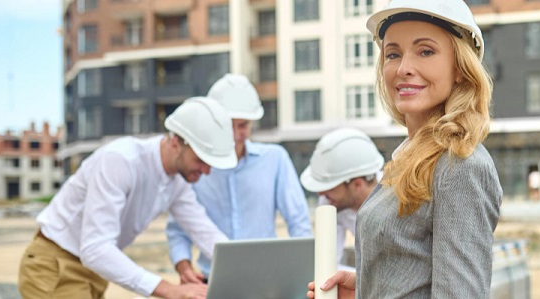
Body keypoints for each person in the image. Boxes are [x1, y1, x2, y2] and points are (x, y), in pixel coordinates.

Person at [308, 0, 502, 297]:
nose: (404, 68)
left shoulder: (460, 165)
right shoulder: (409, 157)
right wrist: (364, 289)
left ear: (461, 68)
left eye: (425, 51)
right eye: (393, 54)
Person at [18, 97, 238, 299]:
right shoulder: (121, 160)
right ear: (175, 143)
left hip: (94, 271)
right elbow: (95, 248)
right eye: (201, 160)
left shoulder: (178, 182)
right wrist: (169, 290)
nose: (207, 171)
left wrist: (244, 271)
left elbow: (204, 230)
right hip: (56, 264)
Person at [166, 74, 312, 284]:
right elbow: (179, 227)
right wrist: (184, 266)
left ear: (252, 123)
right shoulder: (194, 168)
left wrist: (302, 272)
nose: (234, 134)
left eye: (242, 125)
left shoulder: (275, 159)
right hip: (210, 280)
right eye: (228, 125)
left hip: (266, 281)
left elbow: (298, 222)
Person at [300, 128, 384, 269]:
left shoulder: (396, 200)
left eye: (330, 187)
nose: (321, 194)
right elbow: (327, 263)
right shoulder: (330, 201)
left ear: (357, 184)